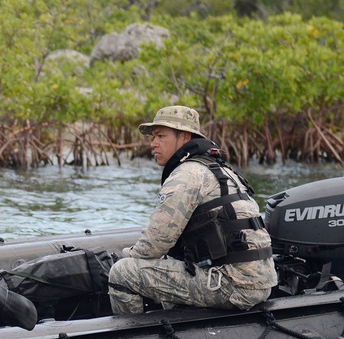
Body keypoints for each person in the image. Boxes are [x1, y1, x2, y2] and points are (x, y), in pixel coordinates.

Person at [108, 105, 277, 314]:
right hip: (259, 281)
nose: (153, 144)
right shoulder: (222, 169)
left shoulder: (186, 174)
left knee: (122, 273)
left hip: (232, 285)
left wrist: (126, 254)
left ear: (185, 138)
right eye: (153, 137)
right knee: (172, 262)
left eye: (161, 136)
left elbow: (155, 244)